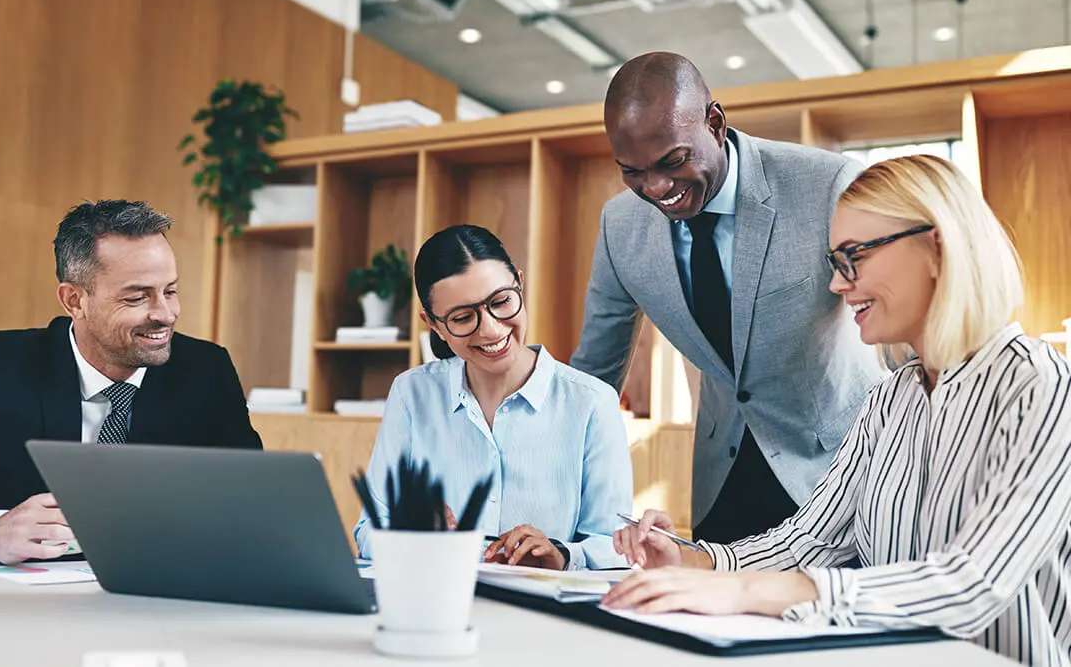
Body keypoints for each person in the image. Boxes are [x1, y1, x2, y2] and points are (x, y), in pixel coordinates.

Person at [604, 155, 1071, 665]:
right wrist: (693, 559)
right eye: (834, 262)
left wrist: (751, 593)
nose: (837, 284)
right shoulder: (888, 401)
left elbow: (974, 582)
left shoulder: (1040, 385)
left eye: (854, 257)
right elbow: (809, 539)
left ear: (936, 246)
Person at [571, 52, 884, 543]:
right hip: (723, 484)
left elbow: (901, 324)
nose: (656, 188)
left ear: (715, 123)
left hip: (842, 475)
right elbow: (594, 373)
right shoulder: (620, 225)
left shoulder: (827, 185)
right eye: (632, 171)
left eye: (673, 160)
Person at [0, 200, 262, 565]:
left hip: (161, 603)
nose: (165, 314)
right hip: (17, 612)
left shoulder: (206, 371)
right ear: (74, 300)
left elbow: (251, 508)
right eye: (137, 298)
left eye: (170, 291)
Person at [353, 225, 632, 571]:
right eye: (462, 317)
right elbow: (368, 531)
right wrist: (409, 534)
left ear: (519, 282)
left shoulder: (591, 403)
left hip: (543, 616)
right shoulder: (412, 394)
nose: (491, 329)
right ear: (434, 324)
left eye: (501, 302)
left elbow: (615, 549)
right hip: (436, 601)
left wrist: (561, 555)